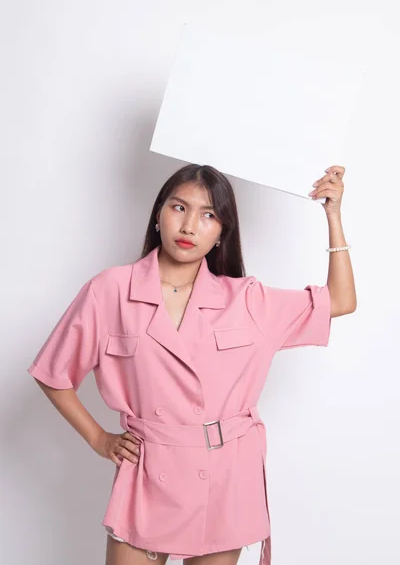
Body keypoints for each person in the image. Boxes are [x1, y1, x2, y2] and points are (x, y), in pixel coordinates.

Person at [28, 163, 356, 565]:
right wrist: (99, 439)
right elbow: (53, 373)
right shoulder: (111, 289)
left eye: (208, 215)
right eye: (178, 208)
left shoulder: (247, 300)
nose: (189, 226)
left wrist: (333, 214)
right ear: (158, 213)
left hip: (225, 477)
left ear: (222, 233)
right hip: (148, 475)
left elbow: (340, 301)